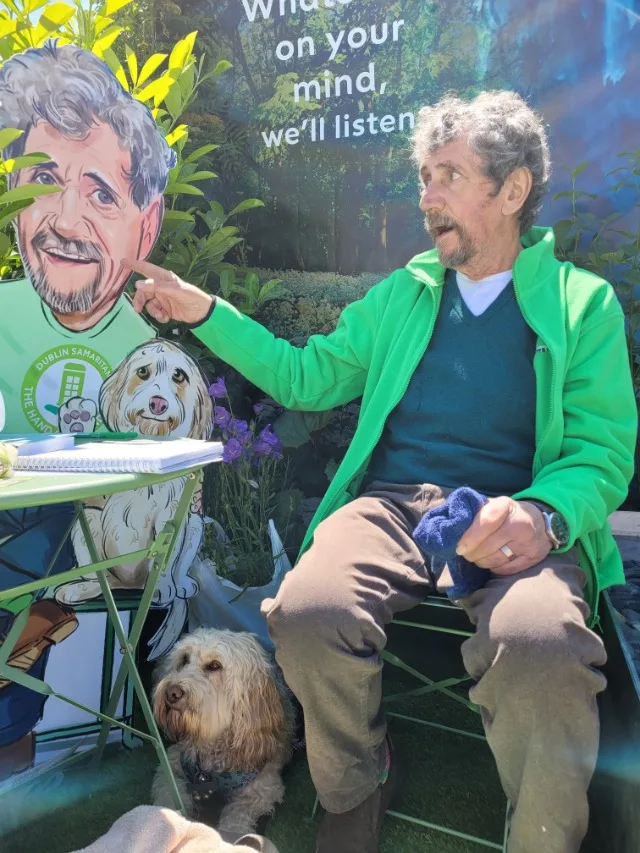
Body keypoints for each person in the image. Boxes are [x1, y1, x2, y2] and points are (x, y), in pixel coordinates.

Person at [125, 91, 637, 853]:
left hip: (516, 514)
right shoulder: (402, 294)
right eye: (424, 177)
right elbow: (304, 378)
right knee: (306, 610)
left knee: (541, 643)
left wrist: (546, 514)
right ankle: (358, 782)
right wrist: (206, 312)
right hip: (393, 507)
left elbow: (602, 453)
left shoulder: (581, 304)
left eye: (449, 176)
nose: (427, 197)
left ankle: (543, 831)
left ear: (513, 189)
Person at [0, 40, 173, 434]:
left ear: (147, 227)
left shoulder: (151, 355)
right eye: (44, 180)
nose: (66, 222)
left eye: (102, 196)